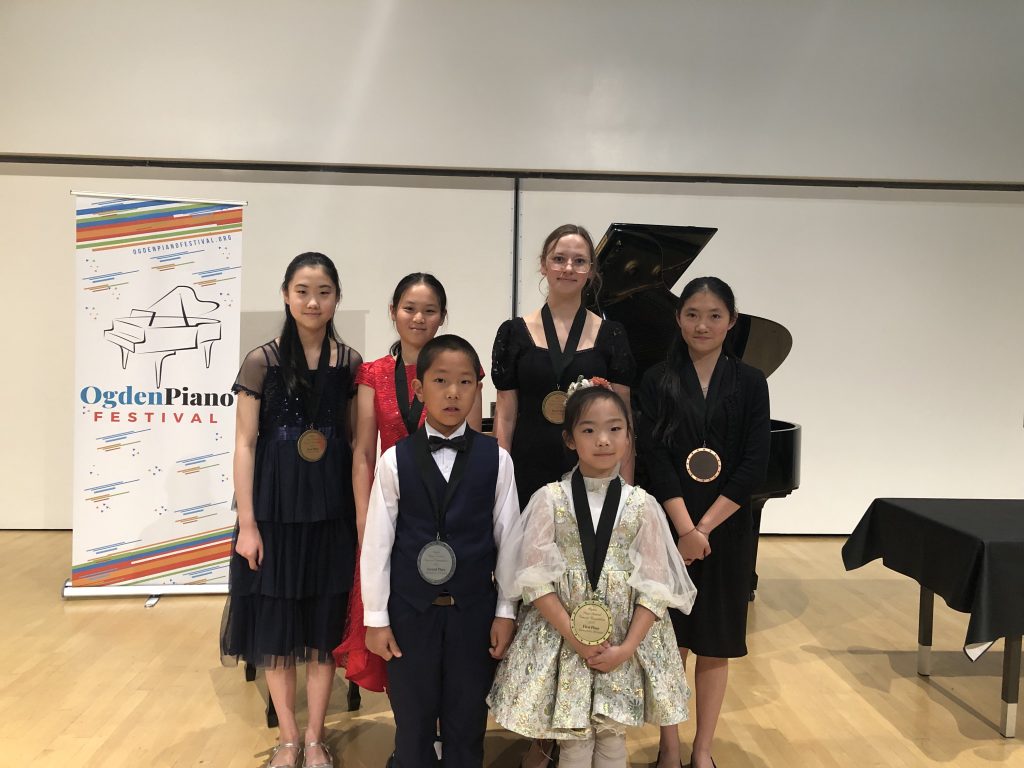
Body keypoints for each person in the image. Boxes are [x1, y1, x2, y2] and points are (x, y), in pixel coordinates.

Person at [488, 379, 695, 768]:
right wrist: (574, 636)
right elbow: (534, 578)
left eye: (615, 429)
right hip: (562, 638)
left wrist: (629, 646)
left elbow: (655, 585)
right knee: (574, 743)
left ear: (630, 437)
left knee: (613, 739)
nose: (603, 439)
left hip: (623, 639)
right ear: (569, 439)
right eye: (588, 430)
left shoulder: (643, 505)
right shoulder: (550, 499)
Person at [221, 252, 361, 768]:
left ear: (336, 298)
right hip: (275, 514)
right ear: (286, 294)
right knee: (277, 628)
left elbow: (352, 442)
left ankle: (318, 736)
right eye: (302, 290)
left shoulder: (348, 363)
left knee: (325, 629)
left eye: (324, 291)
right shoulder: (261, 361)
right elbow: (245, 444)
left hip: (330, 512)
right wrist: (248, 524)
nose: (313, 301)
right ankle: (287, 736)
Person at [361, 334, 519, 768]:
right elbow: (377, 544)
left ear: (477, 388)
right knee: (411, 722)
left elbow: (510, 540)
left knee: (468, 720)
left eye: (465, 382)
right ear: (419, 389)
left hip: (474, 614)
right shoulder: (394, 460)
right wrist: (375, 618)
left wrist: (506, 610)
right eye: (441, 381)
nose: (453, 393)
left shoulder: (497, 459)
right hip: (411, 614)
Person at [636, 277, 770, 768]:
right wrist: (683, 530)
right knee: (671, 641)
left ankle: (703, 749)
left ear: (732, 321)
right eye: (692, 313)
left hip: (727, 531)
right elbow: (654, 458)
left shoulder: (752, 381)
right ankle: (669, 746)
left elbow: (754, 464)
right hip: (669, 527)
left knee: (715, 641)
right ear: (678, 318)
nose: (703, 324)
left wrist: (704, 530)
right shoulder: (657, 379)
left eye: (715, 315)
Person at [336, 273, 482, 696]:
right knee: (396, 624)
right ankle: (412, 725)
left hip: (445, 514)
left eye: (429, 310)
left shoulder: (460, 369)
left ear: (443, 317)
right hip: (392, 510)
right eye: (409, 309)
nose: (418, 318)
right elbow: (363, 452)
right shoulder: (373, 373)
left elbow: (469, 453)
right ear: (393, 312)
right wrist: (365, 519)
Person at [492, 223, 636, 513]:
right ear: (543, 265)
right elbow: (505, 416)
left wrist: (626, 491)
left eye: (579, 261)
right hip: (527, 467)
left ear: (591, 271)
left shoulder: (612, 334)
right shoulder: (514, 332)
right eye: (559, 259)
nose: (568, 268)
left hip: (592, 468)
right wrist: (501, 482)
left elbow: (624, 418)